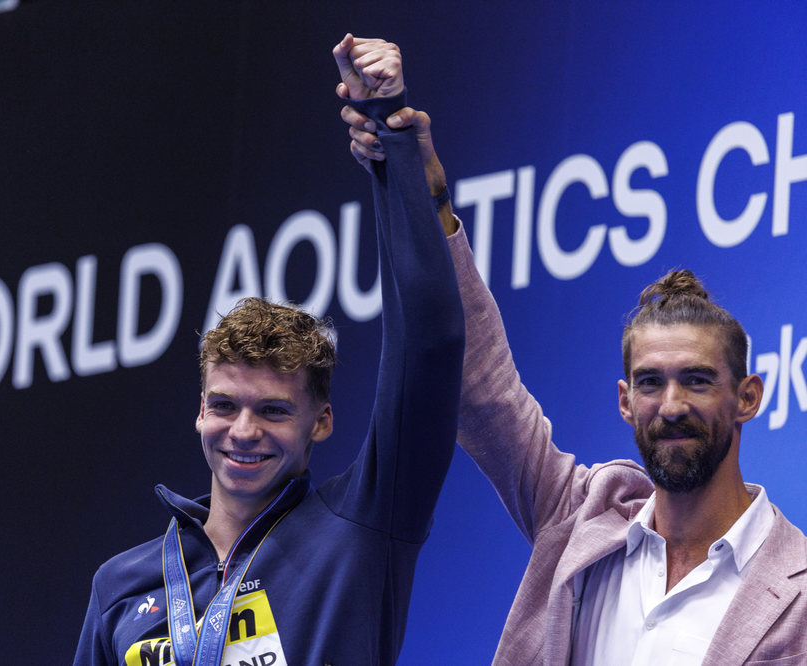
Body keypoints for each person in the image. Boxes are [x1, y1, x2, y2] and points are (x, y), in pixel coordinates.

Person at [342, 83, 807, 664]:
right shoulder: (582, 517)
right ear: (623, 400)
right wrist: (425, 190)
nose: (670, 405)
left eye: (697, 380)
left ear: (749, 397)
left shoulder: (797, 591)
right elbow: (483, 386)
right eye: (649, 382)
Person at [72, 34, 464, 666]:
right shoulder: (121, 586)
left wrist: (388, 136)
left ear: (321, 421)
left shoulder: (362, 529)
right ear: (199, 410)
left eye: (275, 411)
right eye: (225, 406)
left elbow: (431, 344)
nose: (244, 432)